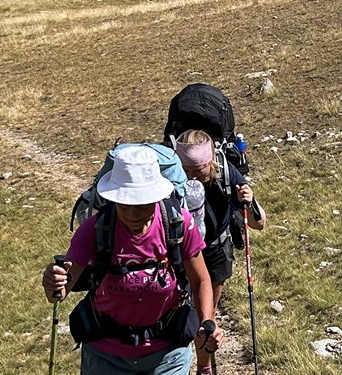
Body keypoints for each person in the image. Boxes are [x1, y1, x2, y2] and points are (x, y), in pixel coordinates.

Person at [43, 146, 221, 375]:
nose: (134, 214)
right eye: (125, 203)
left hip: (168, 354)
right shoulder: (94, 230)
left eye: (143, 204)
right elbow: (58, 292)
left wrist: (207, 322)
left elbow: (201, 280)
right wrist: (53, 282)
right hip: (105, 355)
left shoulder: (179, 224)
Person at [173, 130, 265, 375]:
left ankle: (203, 367)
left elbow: (259, 223)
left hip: (213, 250)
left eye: (198, 170)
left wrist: (249, 199)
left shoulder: (225, 172)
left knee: (206, 315)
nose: (191, 177)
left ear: (210, 161)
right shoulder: (171, 177)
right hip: (180, 250)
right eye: (186, 170)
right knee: (179, 311)